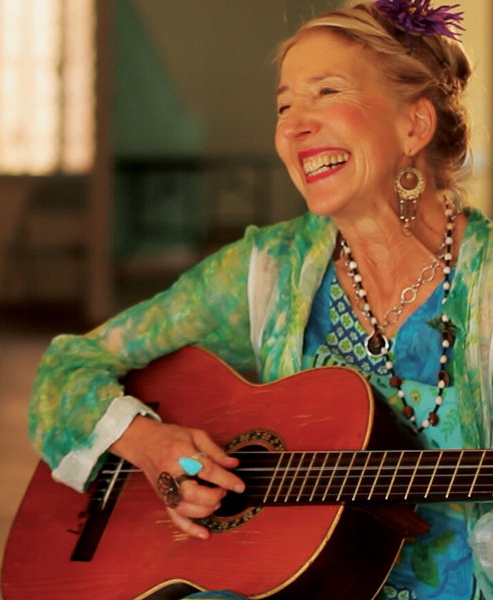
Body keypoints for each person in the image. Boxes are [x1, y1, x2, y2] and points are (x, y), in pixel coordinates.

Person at [29, 0, 493, 598]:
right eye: (283, 105)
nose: (294, 125)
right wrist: (149, 444)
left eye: (326, 92)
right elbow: (66, 367)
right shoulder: (269, 271)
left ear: (414, 127)